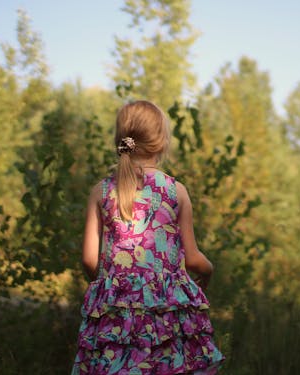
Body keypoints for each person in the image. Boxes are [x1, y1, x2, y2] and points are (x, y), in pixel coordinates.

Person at [71, 100, 224, 374]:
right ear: (163, 141)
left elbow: (88, 259)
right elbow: (193, 258)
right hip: (165, 316)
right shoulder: (176, 191)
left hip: (115, 318)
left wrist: (111, 286)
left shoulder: (101, 191)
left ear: (121, 141)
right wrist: (208, 272)